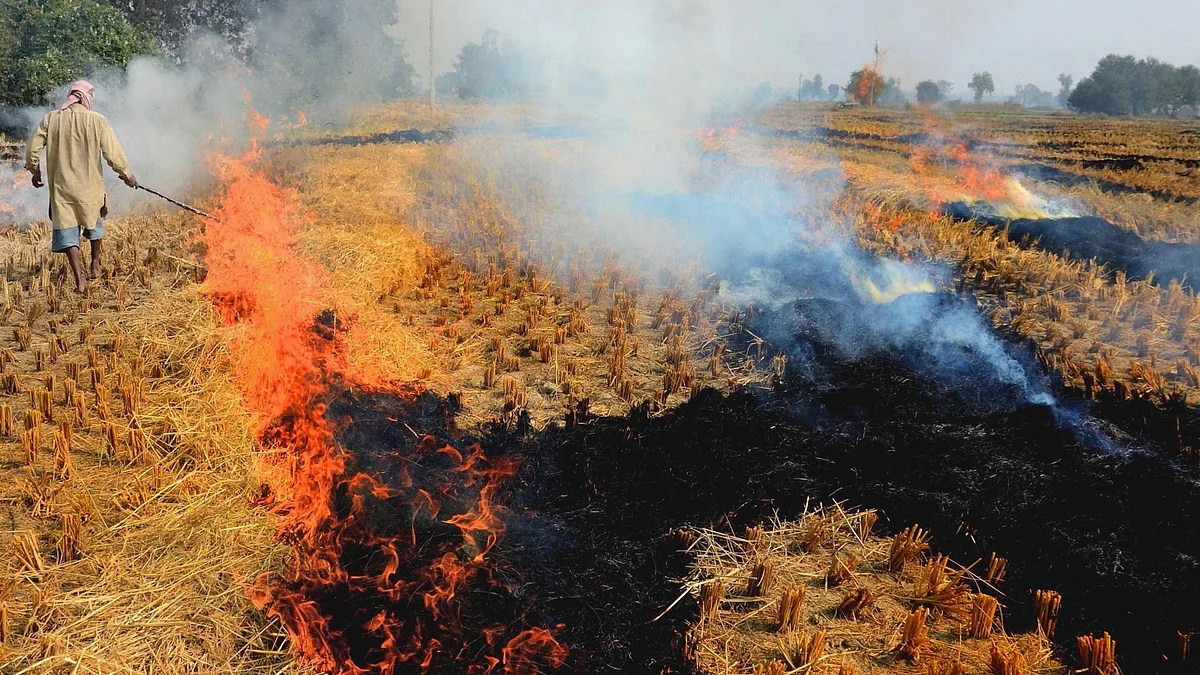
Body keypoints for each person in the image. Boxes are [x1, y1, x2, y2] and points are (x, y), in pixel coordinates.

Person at [24, 81, 138, 293]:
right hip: (90, 188)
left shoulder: (51, 118)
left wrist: (35, 170)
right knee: (94, 226)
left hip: (62, 188)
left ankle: (79, 280)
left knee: (67, 232)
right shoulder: (97, 120)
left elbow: (33, 149)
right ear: (87, 97)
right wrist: (126, 174)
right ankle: (95, 264)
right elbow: (112, 152)